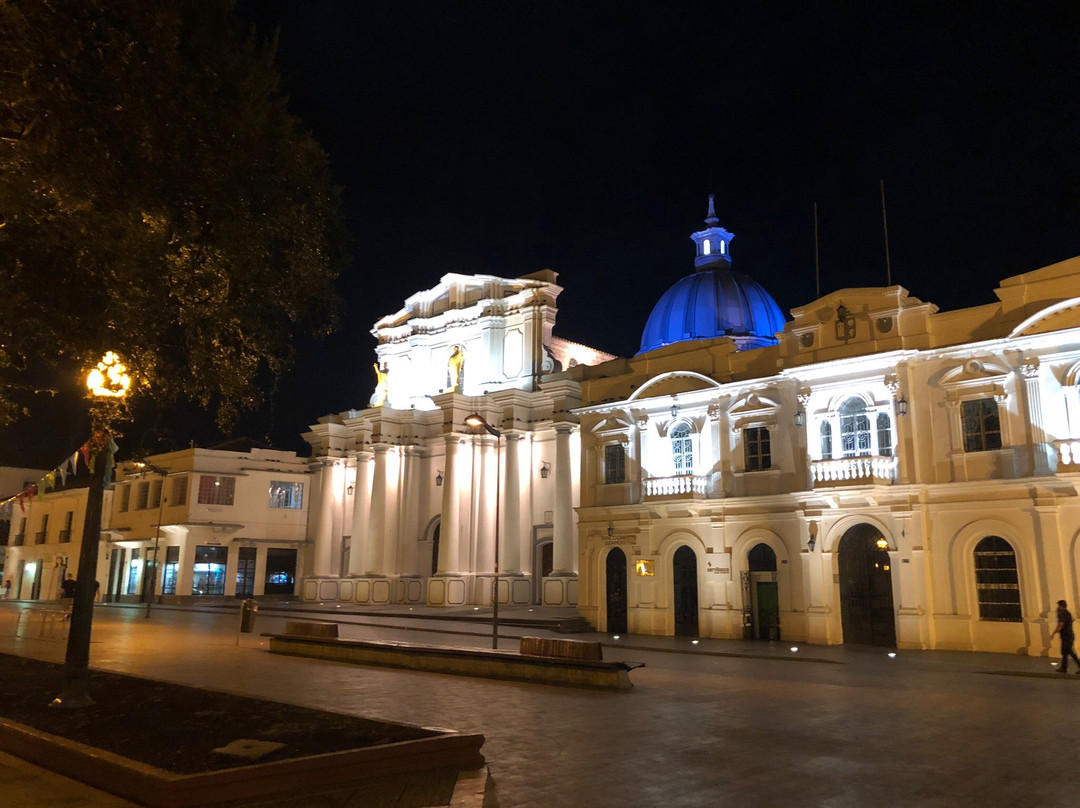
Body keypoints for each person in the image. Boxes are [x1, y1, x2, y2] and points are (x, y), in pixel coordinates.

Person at [1050, 599, 1080, 674]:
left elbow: (1061, 624)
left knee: (1069, 652)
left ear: (1060, 606)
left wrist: (1054, 633)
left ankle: (1064, 668)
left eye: (1058, 606)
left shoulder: (1062, 614)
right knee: (1065, 652)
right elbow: (1071, 620)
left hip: (1066, 636)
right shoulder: (1068, 613)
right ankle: (1063, 668)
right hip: (1069, 635)